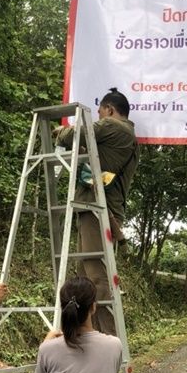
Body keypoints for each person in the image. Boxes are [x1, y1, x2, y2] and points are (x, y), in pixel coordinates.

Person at [56, 88, 139, 335]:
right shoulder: (127, 136)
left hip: (98, 210)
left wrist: (60, 132)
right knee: (85, 278)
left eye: (101, 112)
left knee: (96, 278)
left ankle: (108, 340)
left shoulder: (113, 127)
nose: (99, 117)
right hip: (98, 209)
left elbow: (74, 134)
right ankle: (89, 337)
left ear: (110, 110)